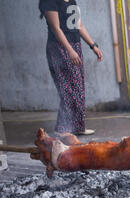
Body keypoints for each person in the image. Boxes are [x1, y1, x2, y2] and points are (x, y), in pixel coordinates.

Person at [39, 0, 103, 135]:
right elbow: (56, 29)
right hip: (59, 48)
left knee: (78, 87)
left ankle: (78, 127)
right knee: (67, 89)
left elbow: (79, 26)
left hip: (75, 46)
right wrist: (69, 50)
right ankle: (62, 128)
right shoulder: (49, 2)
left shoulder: (72, 1)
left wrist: (93, 46)